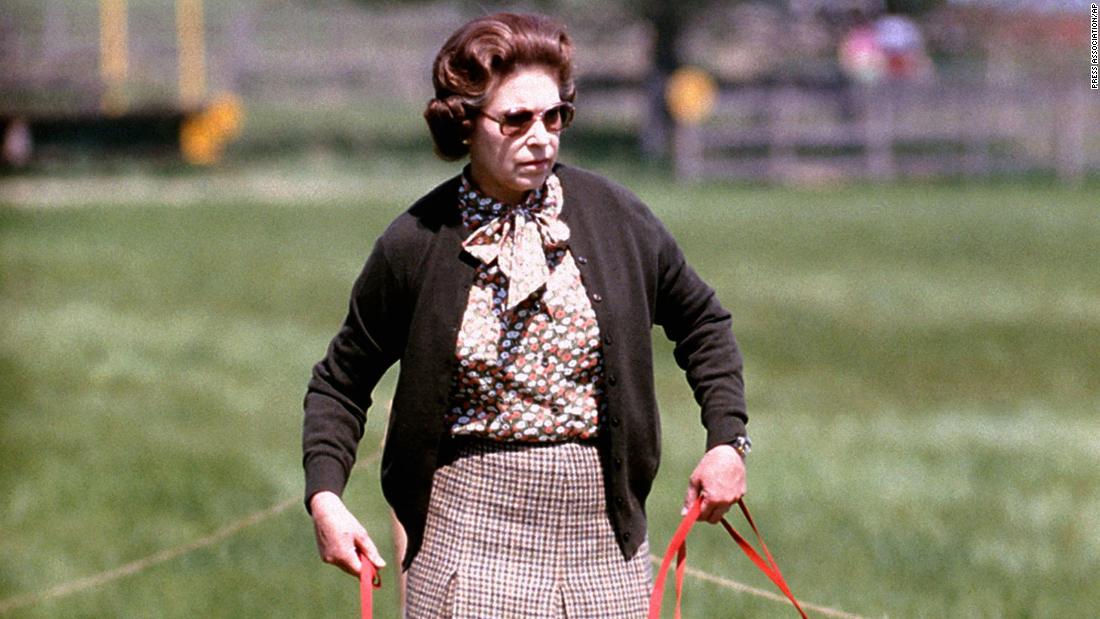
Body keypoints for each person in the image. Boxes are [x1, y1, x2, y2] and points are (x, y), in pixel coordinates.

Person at [303, 12, 750, 618]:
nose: (541, 136)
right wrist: (325, 498)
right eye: (515, 119)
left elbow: (703, 324)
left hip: (604, 535)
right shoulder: (416, 241)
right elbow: (340, 383)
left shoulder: (616, 217)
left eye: (555, 116)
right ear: (466, 122)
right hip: (468, 532)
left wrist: (728, 441)